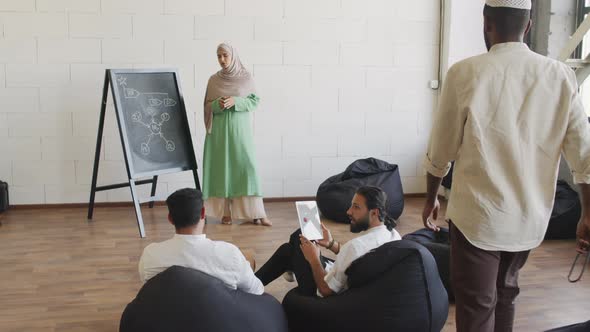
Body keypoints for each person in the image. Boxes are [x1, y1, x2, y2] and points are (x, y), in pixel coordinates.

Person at [422, 1, 590, 331]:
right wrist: (588, 213)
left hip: (477, 220)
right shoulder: (560, 76)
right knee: (506, 293)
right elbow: (584, 155)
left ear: (487, 23)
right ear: (528, 27)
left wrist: (431, 198)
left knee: (477, 305)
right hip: (528, 220)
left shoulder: (465, 72)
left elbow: (441, 150)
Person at [255, 186, 401, 297]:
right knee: (288, 250)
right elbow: (357, 257)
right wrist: (331, 244)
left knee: (297, 238)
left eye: (356, 207)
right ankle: (256, 282)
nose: (349, 212)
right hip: (351, 283)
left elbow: (325, 290)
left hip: (326, 295)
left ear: (374, 213)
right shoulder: (393, 234)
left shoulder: (355, 247)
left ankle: (253, 284)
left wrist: (314, 260)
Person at [138, 188, 264, 295]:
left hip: (168, 318)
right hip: (218, 318)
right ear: (203, 213)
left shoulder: (150, 254)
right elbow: (257, 291)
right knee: (246, 260)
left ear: (170, 219)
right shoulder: (229, 253)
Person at [202, 42, 271, 226]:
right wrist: (218, 104)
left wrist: (236, 102)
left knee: (247, 169)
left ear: (233, 56)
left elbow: (254, 101)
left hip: (240, 133)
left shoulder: (245, 77)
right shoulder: (213, 80)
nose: (222, 60)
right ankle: (225, 213)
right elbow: (207, 105)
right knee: (221, 170)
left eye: (225, 55)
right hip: (218, 134)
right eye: (219, 56)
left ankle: (257, 213)